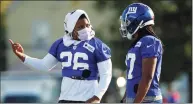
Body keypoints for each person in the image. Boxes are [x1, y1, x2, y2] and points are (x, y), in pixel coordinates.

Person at [9, 9, 112, 103]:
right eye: (80, 27)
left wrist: (97, 96)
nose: (85, 29)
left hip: (88, 98)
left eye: (87, 25)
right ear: (71, 29)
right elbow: (44, 65)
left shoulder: (97, 45)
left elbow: (106, 74)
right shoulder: (60, 44)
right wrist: (22, 56)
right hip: (65, 98)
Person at [119, 3, 163, 103]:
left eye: (127, 21)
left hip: (147, 100)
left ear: (138, 21)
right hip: (135, 99)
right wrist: (124, 98)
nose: (125, 25)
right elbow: (133, 78)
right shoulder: (136, 44)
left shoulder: (150, 41)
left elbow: (147, 77)